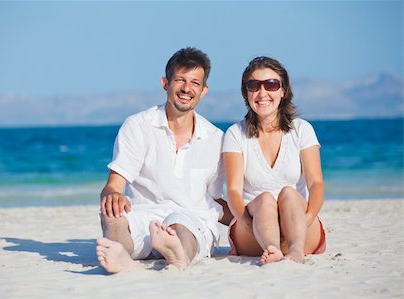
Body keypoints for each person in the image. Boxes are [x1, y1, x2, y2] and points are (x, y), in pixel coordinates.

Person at [96, 47, 232, 273]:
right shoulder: (138, 126)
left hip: (190, 218)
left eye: (195, 83)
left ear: (204, 90)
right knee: (113, 214)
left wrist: (253, 223)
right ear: (165, 83)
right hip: (143, 214)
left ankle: (178, 255)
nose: (187, 89)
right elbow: (113, 185)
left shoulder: (216, 139)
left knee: (182, 226)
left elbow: (215, 200)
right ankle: (120, 254)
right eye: (180, 80)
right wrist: (111, 196)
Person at [222, 56, 326, 265]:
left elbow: (316, 183)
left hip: (300, 228)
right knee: (265, 199)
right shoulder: (235, 134)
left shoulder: (302, 130)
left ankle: (295, 251)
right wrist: (249, 226)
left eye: (271, 84)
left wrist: (304, 223)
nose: (262, 93)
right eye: (254, 85)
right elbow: (233, 191)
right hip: (253, 231)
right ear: (246, 93)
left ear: (283, 91)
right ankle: (272, 249)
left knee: (289, 193)